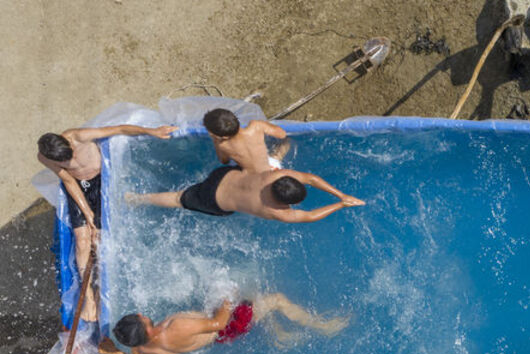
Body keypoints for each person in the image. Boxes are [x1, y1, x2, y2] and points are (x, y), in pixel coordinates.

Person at [37, 124, 177, 321]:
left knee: (100, 239)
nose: (74, 158)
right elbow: (68, 181)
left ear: (67, 143)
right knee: (82, 241)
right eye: (67, 160)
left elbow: (119, 129)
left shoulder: (80, 137)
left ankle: (100, 289)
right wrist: (87, 213)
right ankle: (89, 298)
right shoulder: (45, 158)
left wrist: (151, 132)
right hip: (80, 187)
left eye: (72, 153)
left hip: (102, 180)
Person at [98, 293, 349, 354]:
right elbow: (218, 323)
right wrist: (227, 298)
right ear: (145, 325)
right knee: (277, 300)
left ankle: (279, 334)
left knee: (254, 295)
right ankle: (322, 326)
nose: (141, 313)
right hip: (228, 326)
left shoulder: (140, 349)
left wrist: (114, 353)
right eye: (140, 317)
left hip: (214, 337)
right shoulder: (177, 327)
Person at [125, 166, 365, 222]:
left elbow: (310, 178)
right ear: (284, 203)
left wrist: (340, 193)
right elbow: (310, 216)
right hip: (214, 200)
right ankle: (137, 200)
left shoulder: (277, 175)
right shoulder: (275, 211)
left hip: (223, 174)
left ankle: (135, 198)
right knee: (179, 199)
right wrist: (340, 204)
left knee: (265, 164)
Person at [202, 108, 289, 172]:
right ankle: (277, 157)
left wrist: (216, 141)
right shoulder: (256, 126)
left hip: (254, 177)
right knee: (286, 141)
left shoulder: (224, 145)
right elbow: (282, 134)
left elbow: (224, 161)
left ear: (224, 137)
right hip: (272, 167)